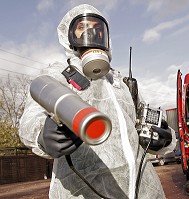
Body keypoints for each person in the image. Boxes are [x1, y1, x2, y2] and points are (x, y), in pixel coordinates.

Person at [18, 4, 176, 199]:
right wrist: (42, 135)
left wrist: (166, 138)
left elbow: (147, 124)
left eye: (96, 27)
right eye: (82, 28)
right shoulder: (58, 76)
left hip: (142, 189)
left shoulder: (122, 84)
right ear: (69, 37)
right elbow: (31, 116)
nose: (91, 32)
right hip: (83, 191)